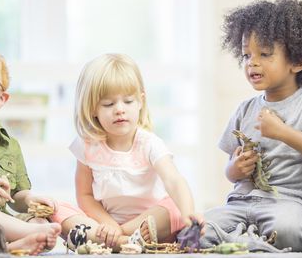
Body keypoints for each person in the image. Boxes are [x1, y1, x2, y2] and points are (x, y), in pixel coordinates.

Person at [198, 0, 302, 252]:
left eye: (264, 53)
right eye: (245, 55)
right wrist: (236, 168)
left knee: (289, 231)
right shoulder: (245, 109)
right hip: (241, 202)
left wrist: (283, 133)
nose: (252, 62)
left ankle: (244, 240)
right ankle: (253, 241)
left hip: (288, 203)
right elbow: (229, 170)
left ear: (297, 61)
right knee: (193, 231)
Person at [56, 53, 203, 252]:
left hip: (148, 224)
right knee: (58, 210)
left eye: (128, 101)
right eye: (108, 104)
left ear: (141, 101)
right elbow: (85, 195)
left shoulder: (149, 143)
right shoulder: (87, 146)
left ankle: (115, 240)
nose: (119, 110)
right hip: (105, 222)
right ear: (92, 109)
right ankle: (124, 241)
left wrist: (188, 213)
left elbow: (174, 180)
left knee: (174, 207)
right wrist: (109, 225)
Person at [0, 42, 61, 255]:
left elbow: (17, 195)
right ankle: (24, 235)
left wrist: (29, 200)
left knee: (39, 218)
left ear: (1, 99)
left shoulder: (10, 145)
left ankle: (18, 240)